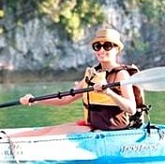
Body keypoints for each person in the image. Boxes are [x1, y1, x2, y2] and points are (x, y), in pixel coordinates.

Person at [16, 27, 146, 135]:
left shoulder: (121, 74)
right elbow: (65, 99)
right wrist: (35, 100)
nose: (101, 50)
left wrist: (109, 92)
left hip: (111, 131)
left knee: (56, 133)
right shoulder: (92, 74)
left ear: (116, 49)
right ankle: (2, 138)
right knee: (48, 130)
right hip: (92, 126)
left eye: (107, 46)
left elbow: (131, 109)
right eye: (97, 46)